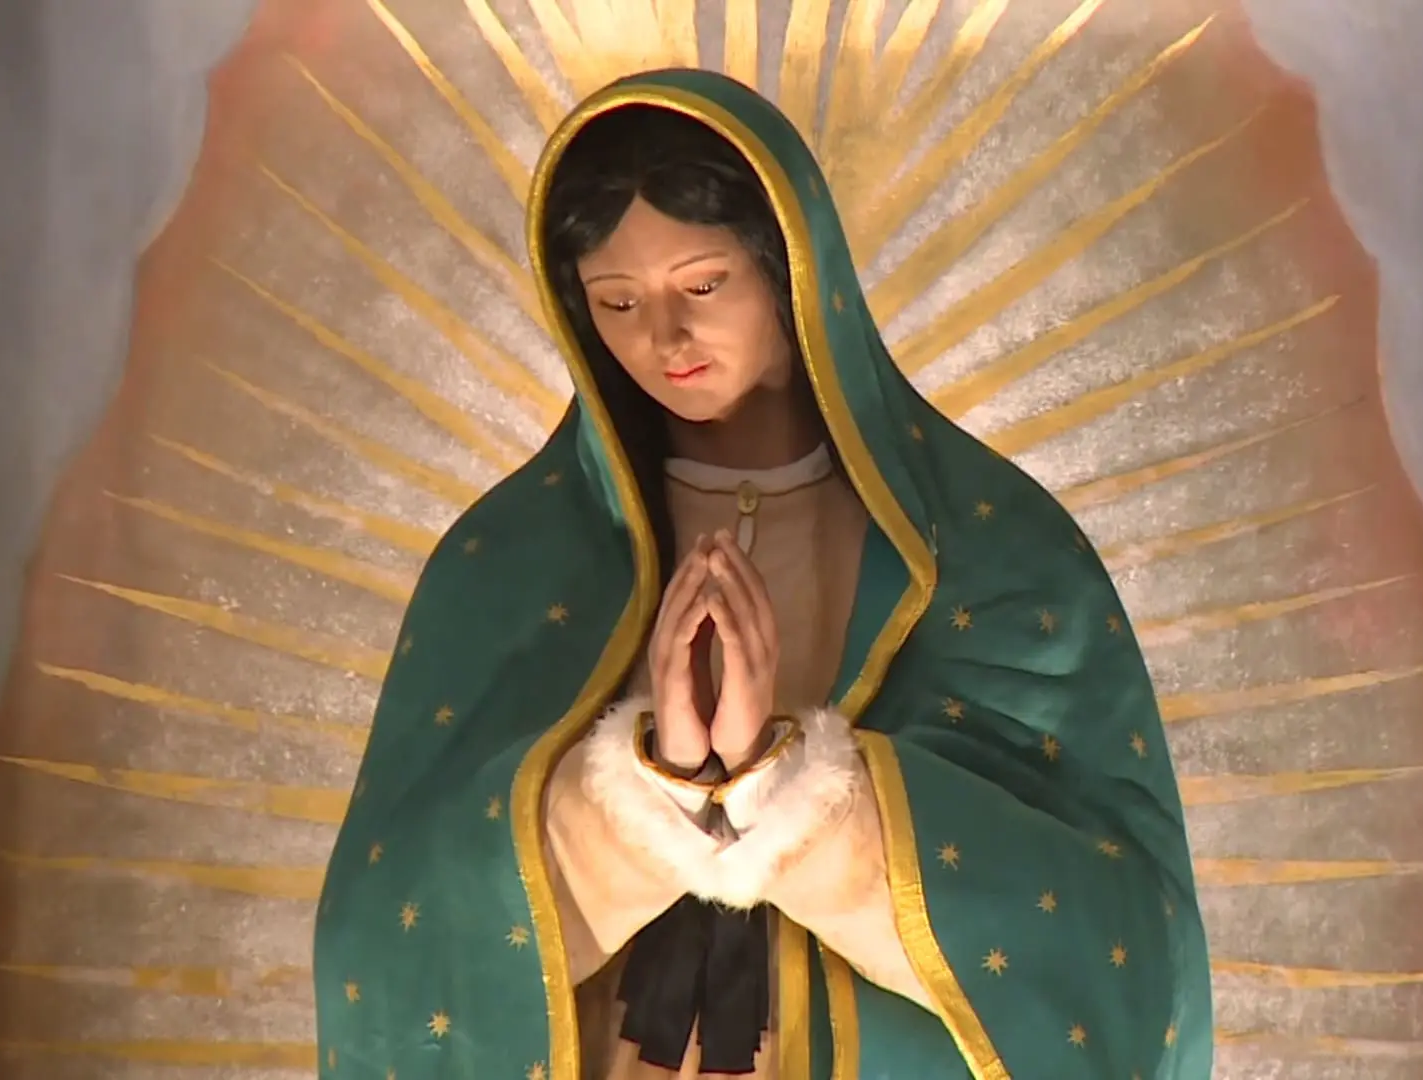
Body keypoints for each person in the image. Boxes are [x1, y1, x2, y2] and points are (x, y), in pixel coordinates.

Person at [313, 68, 1211, 1080]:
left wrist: (788, 793)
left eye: (702, 285)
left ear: (789, 269)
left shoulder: (992, 554)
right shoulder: (509, 563)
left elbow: (1126, 949)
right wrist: (646, 793)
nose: (664, 337)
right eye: (617, 302)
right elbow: (382, 945)